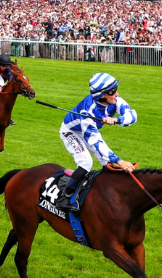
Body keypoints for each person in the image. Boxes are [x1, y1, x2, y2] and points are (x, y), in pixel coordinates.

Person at [56, 72, 138, 211]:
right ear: (102, 95)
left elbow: (132, 116)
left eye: (116, 89)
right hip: (72, 132)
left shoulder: (114, 100)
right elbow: (96, 142)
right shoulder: (88, 112)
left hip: (89, 132)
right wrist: (120, 161)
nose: (117, 94)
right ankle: (65, 198)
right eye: (112, 91)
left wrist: (117, 120)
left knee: (107, 164)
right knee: (86, 162)